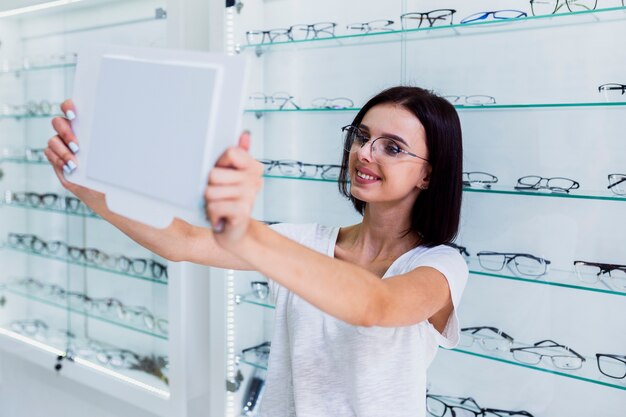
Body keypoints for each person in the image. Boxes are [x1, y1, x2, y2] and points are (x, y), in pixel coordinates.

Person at [46, 86, 468, 417]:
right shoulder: (304, 242)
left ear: (428, 175)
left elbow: (376, 305)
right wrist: (87, 185)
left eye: (391, 147)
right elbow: (181, 241)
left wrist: (244, 232)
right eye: (362, 137)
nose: (364, 153)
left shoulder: (439, 266)